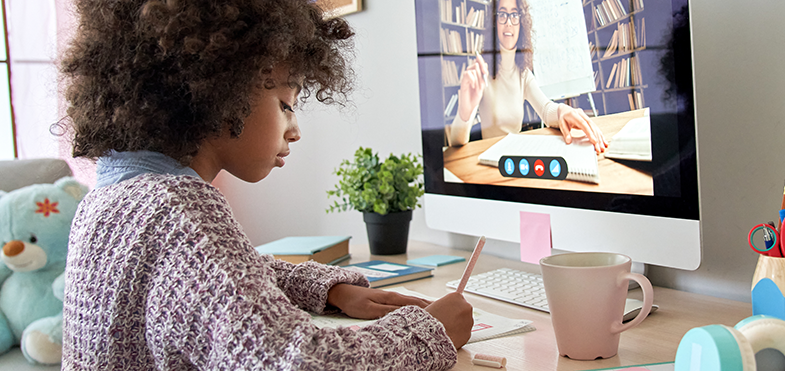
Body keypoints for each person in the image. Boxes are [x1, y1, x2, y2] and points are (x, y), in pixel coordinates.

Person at [58, 0, 473, 370]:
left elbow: (226, 271)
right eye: (286, 105)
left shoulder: (110, 197)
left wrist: (331, 290)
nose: (294, 131)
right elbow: (296, 361)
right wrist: (429, 331)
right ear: (223, 89)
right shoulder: (177, 209)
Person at [448, 0, 609, 153]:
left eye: (515, 14)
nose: (509, 22)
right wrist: (464, 113)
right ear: (494, 23)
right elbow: (456, 142)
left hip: (515, 157)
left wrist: (562, 110)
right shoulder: (482, 72)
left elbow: (545, 109)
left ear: (521, 23)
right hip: (489, 160)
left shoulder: (523, 74)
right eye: (502, 14)